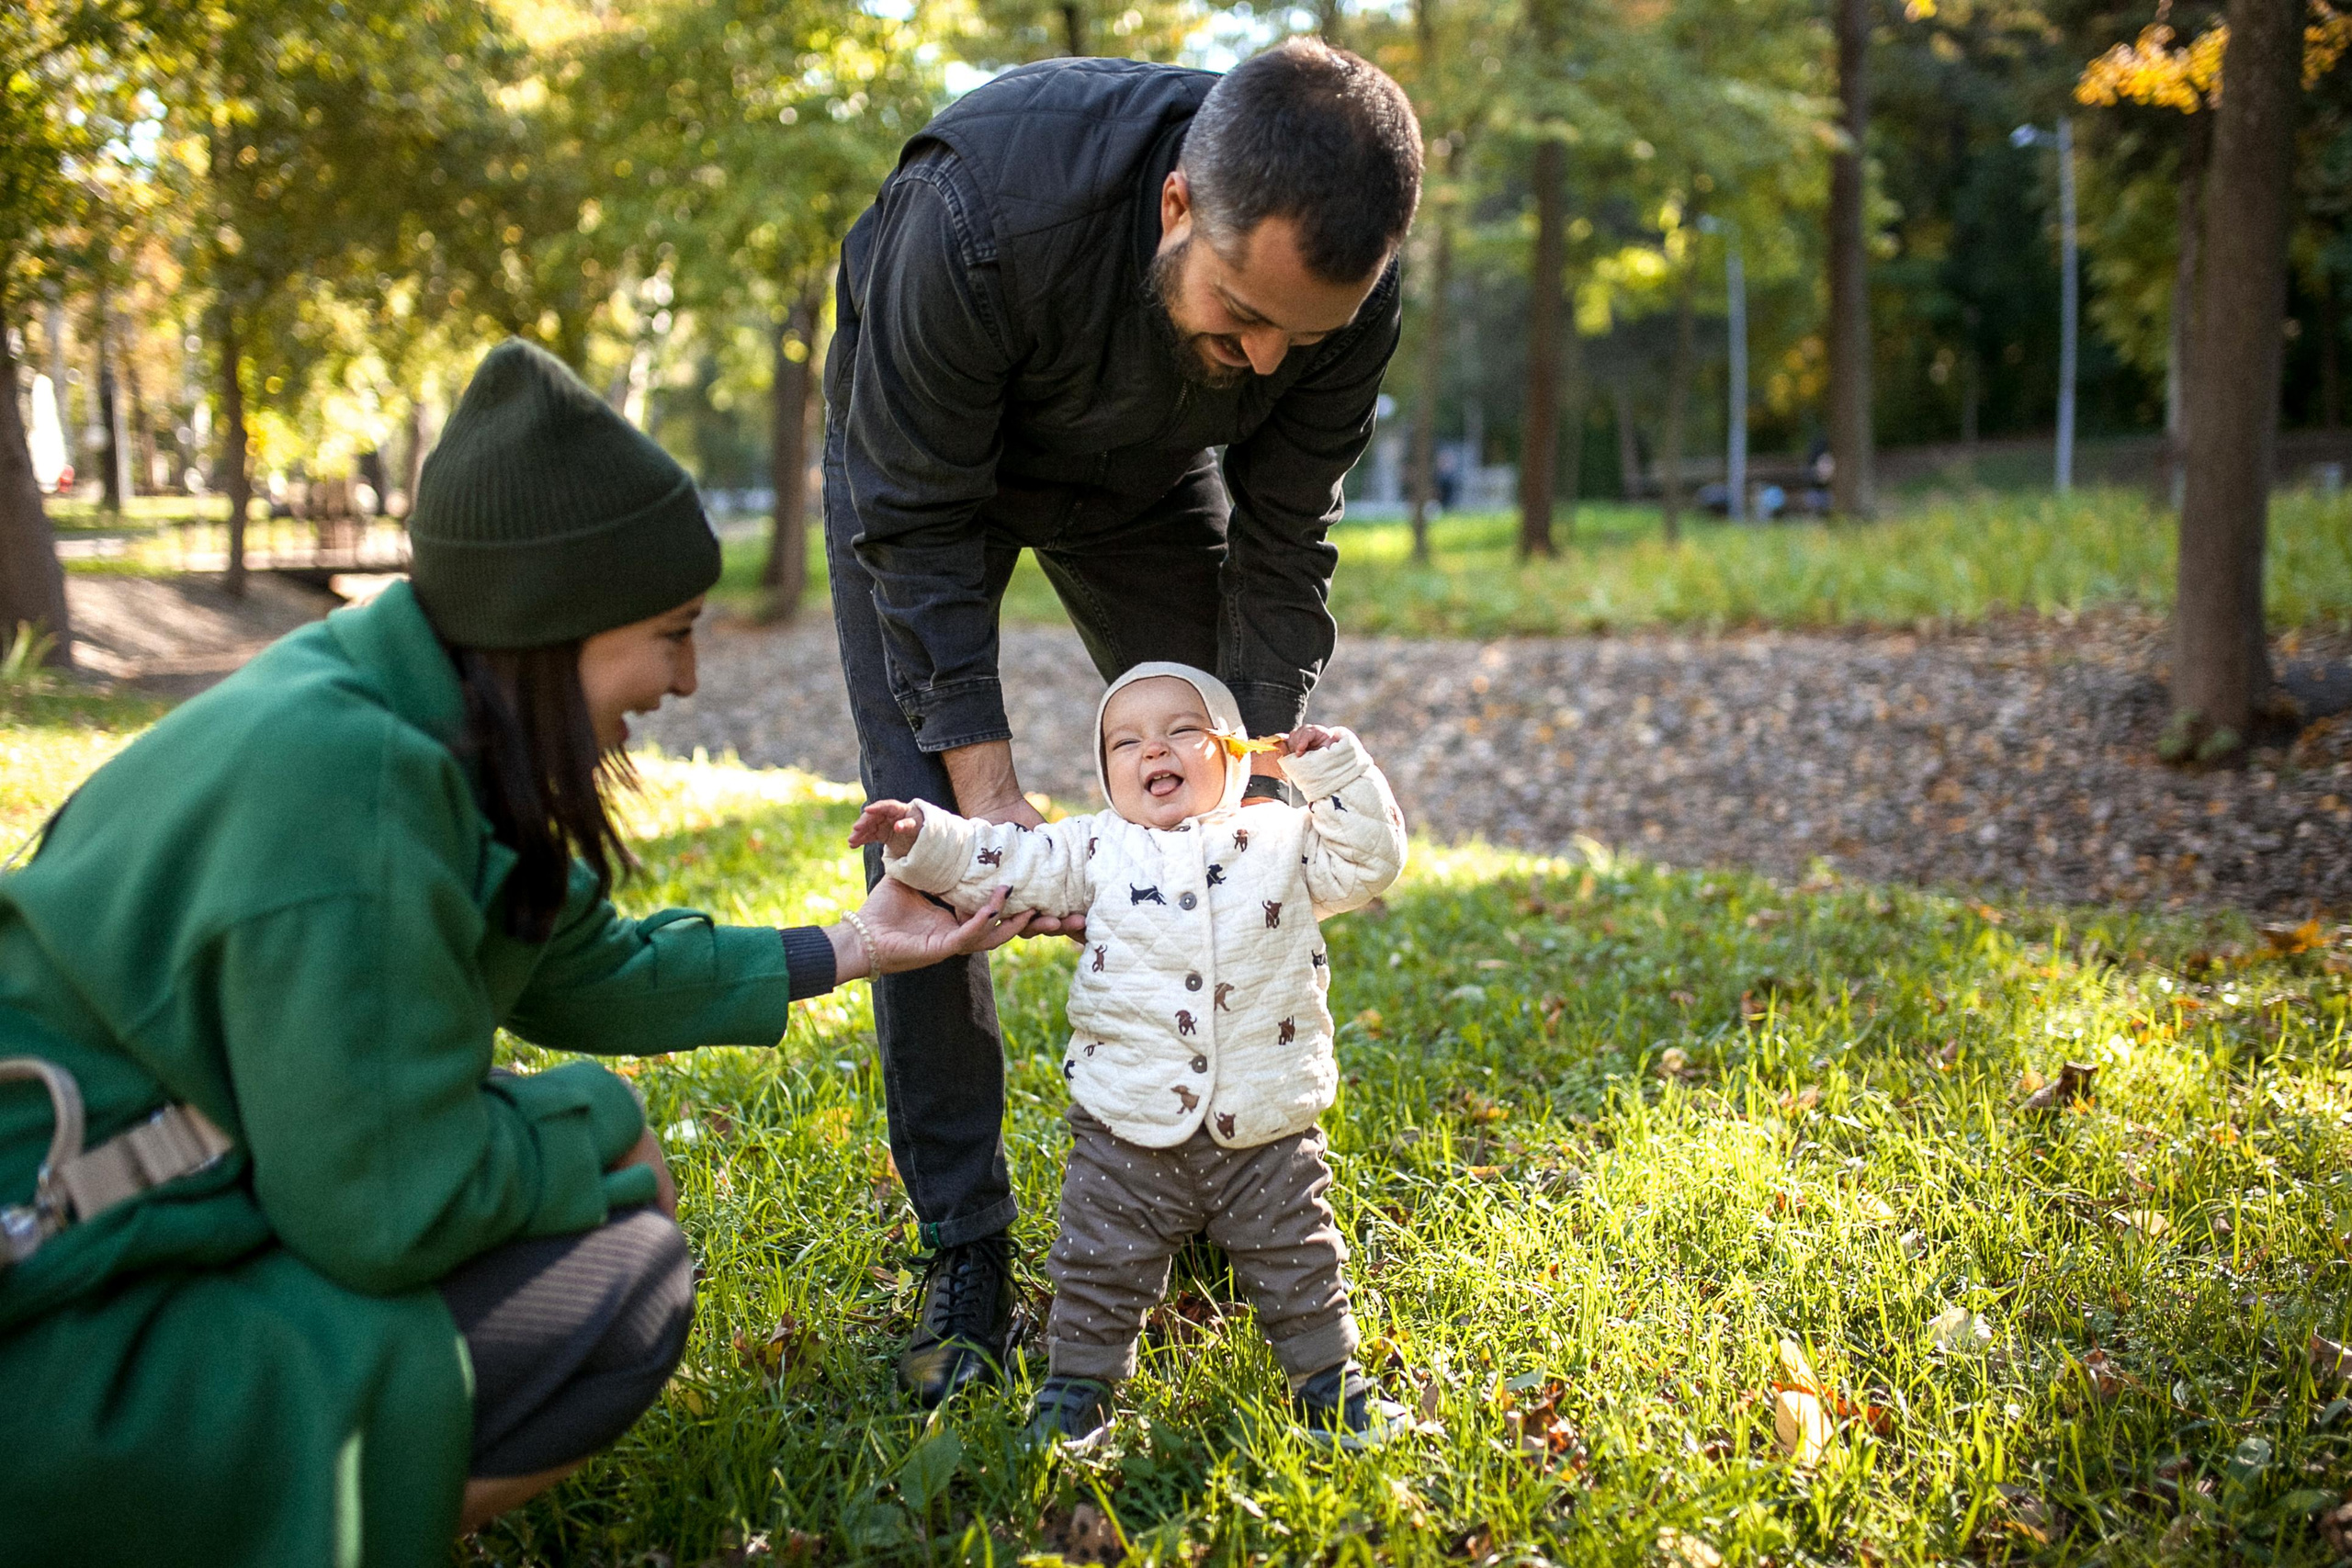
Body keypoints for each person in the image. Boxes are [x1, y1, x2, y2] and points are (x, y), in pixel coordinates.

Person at [0, 340, 1044, 1568]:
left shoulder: (387, 705)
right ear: (554, 621)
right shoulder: (361, 787)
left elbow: (577, 961)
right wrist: (589, 1120)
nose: (686, 678)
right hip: (58, 1339)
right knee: (625, 1277)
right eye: (671, 632)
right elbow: (386, 1205)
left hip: (116, 1248)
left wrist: (858, 943)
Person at [824, 36, 1423, 1405]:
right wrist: (988, 792)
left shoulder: (1342, 297)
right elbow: (909, 525)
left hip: (1143, 478)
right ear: (1175, 208)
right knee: (923, 831)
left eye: (1301, 338)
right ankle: (966, 1246)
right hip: (922, 474)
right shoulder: (976, 213)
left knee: (1225, 793)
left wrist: (1259, 790)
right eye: (1241, 311)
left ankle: (1219, 1169)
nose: (1264, 358)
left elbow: (1284, 542)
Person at [850, 664, 1409, 1444]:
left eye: (1184, 729)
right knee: (1097, 1265)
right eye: (1126, 740)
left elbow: (1371, 859)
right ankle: (1077, 1388)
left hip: (1267, 1128)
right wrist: (923, 837)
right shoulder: (1093, 848)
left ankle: (1328, 1382)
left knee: (1301, 1258)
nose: (1156, 750)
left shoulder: (1281, 839)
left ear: (1237, 752)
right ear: (1107, 771)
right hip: (1124, 1132)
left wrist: (1329, 767)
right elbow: (1003, 860)